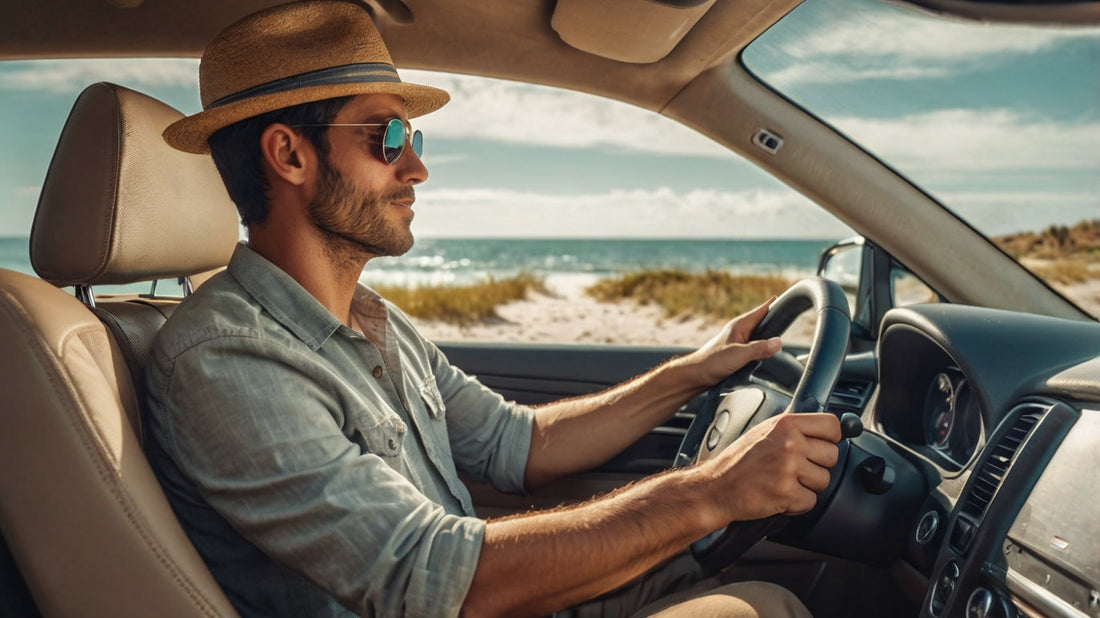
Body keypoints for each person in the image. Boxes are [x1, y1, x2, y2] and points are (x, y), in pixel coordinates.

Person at [146, 1, 842, 616]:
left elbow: (520, 444)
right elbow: (438, 581)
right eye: (387, 137)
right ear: (289, 155)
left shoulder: (373, 320)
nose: (415, 168)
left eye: (413, 141)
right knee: (768, 607)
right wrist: (710, 493)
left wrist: (689, 374)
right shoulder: (226, 360)